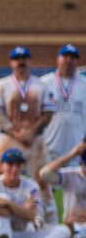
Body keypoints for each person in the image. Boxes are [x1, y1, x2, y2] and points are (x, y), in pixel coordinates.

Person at [0, 46, 54, 212]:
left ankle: (48, 219)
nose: (21, 61)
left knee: (42, 179)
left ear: (29, 61)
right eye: (17, 58)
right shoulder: (1, 85)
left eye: (24, 58)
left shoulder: (41, 85)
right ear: (11, 62)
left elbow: (48, 113)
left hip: (35, 139)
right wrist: (15, 131)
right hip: (9, 138)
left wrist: (30, 132)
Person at [0, 148, 71, 238]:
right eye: (10, 164)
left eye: (18, 165)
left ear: (23, 167)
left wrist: (8, 206)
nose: (14, 169)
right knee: (3, 197)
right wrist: (21, 207)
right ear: (2, 166)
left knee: (63, 230)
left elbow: (32, 215)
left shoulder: (31, 186)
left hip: (20, 237)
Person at [39, 44, 86, 224]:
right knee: (46, 188)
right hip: (49, 145)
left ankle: (74, 225)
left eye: (72, 57)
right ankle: (44, 225)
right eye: (65, 56)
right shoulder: (45, 83)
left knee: (76, 190)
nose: (68, 60)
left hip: (77, 147)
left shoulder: (84, 83)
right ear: (58, 59)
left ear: (77, 61)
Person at [40, 138, 86, 238]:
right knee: (63, 231)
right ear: (81, 163)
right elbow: (44, 174)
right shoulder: (71, 175)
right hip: (72, 227)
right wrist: (71, 154)